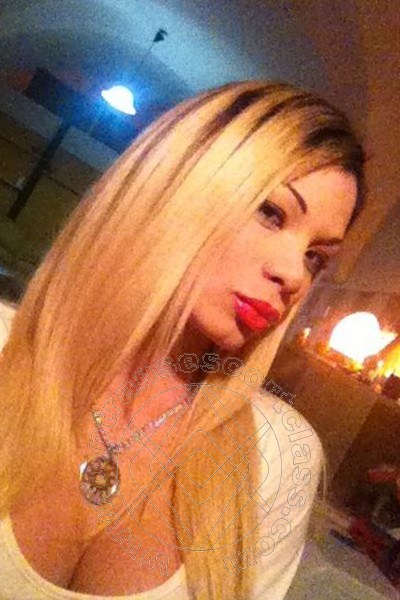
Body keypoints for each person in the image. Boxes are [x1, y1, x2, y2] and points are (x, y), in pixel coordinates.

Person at [0, 80, 365, 599]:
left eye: (315, 257)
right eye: (271, 212)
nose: (293, 274)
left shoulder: (278, 458)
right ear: (174, 186)